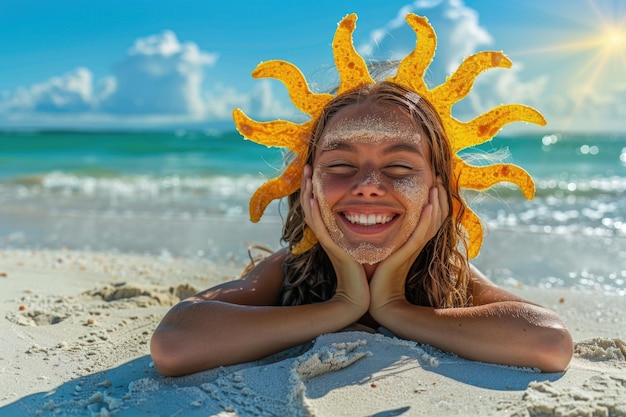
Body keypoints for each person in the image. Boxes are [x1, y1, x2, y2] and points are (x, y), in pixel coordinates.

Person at [150, 81, 574, 377]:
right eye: (341, 165)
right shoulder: (294, 266)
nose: (368, 186)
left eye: (398, 166)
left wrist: (394, 306)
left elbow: (548, 341)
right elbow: (175, 342)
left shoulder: (445, 268)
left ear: (437, 190)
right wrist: (342, 304)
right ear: (309, 182)